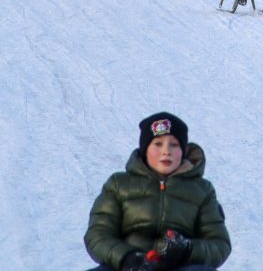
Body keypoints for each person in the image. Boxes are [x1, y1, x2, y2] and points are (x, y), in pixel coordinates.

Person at [83, 112, 231, 271]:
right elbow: (98, 234)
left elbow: (219, 243)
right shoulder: (119, 184)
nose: (166, 151)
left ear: (182, 150)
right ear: (145, 149)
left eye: (174, 145)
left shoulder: (202, 190)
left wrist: (187, 249)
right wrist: (126, 258)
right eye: (158, 144)